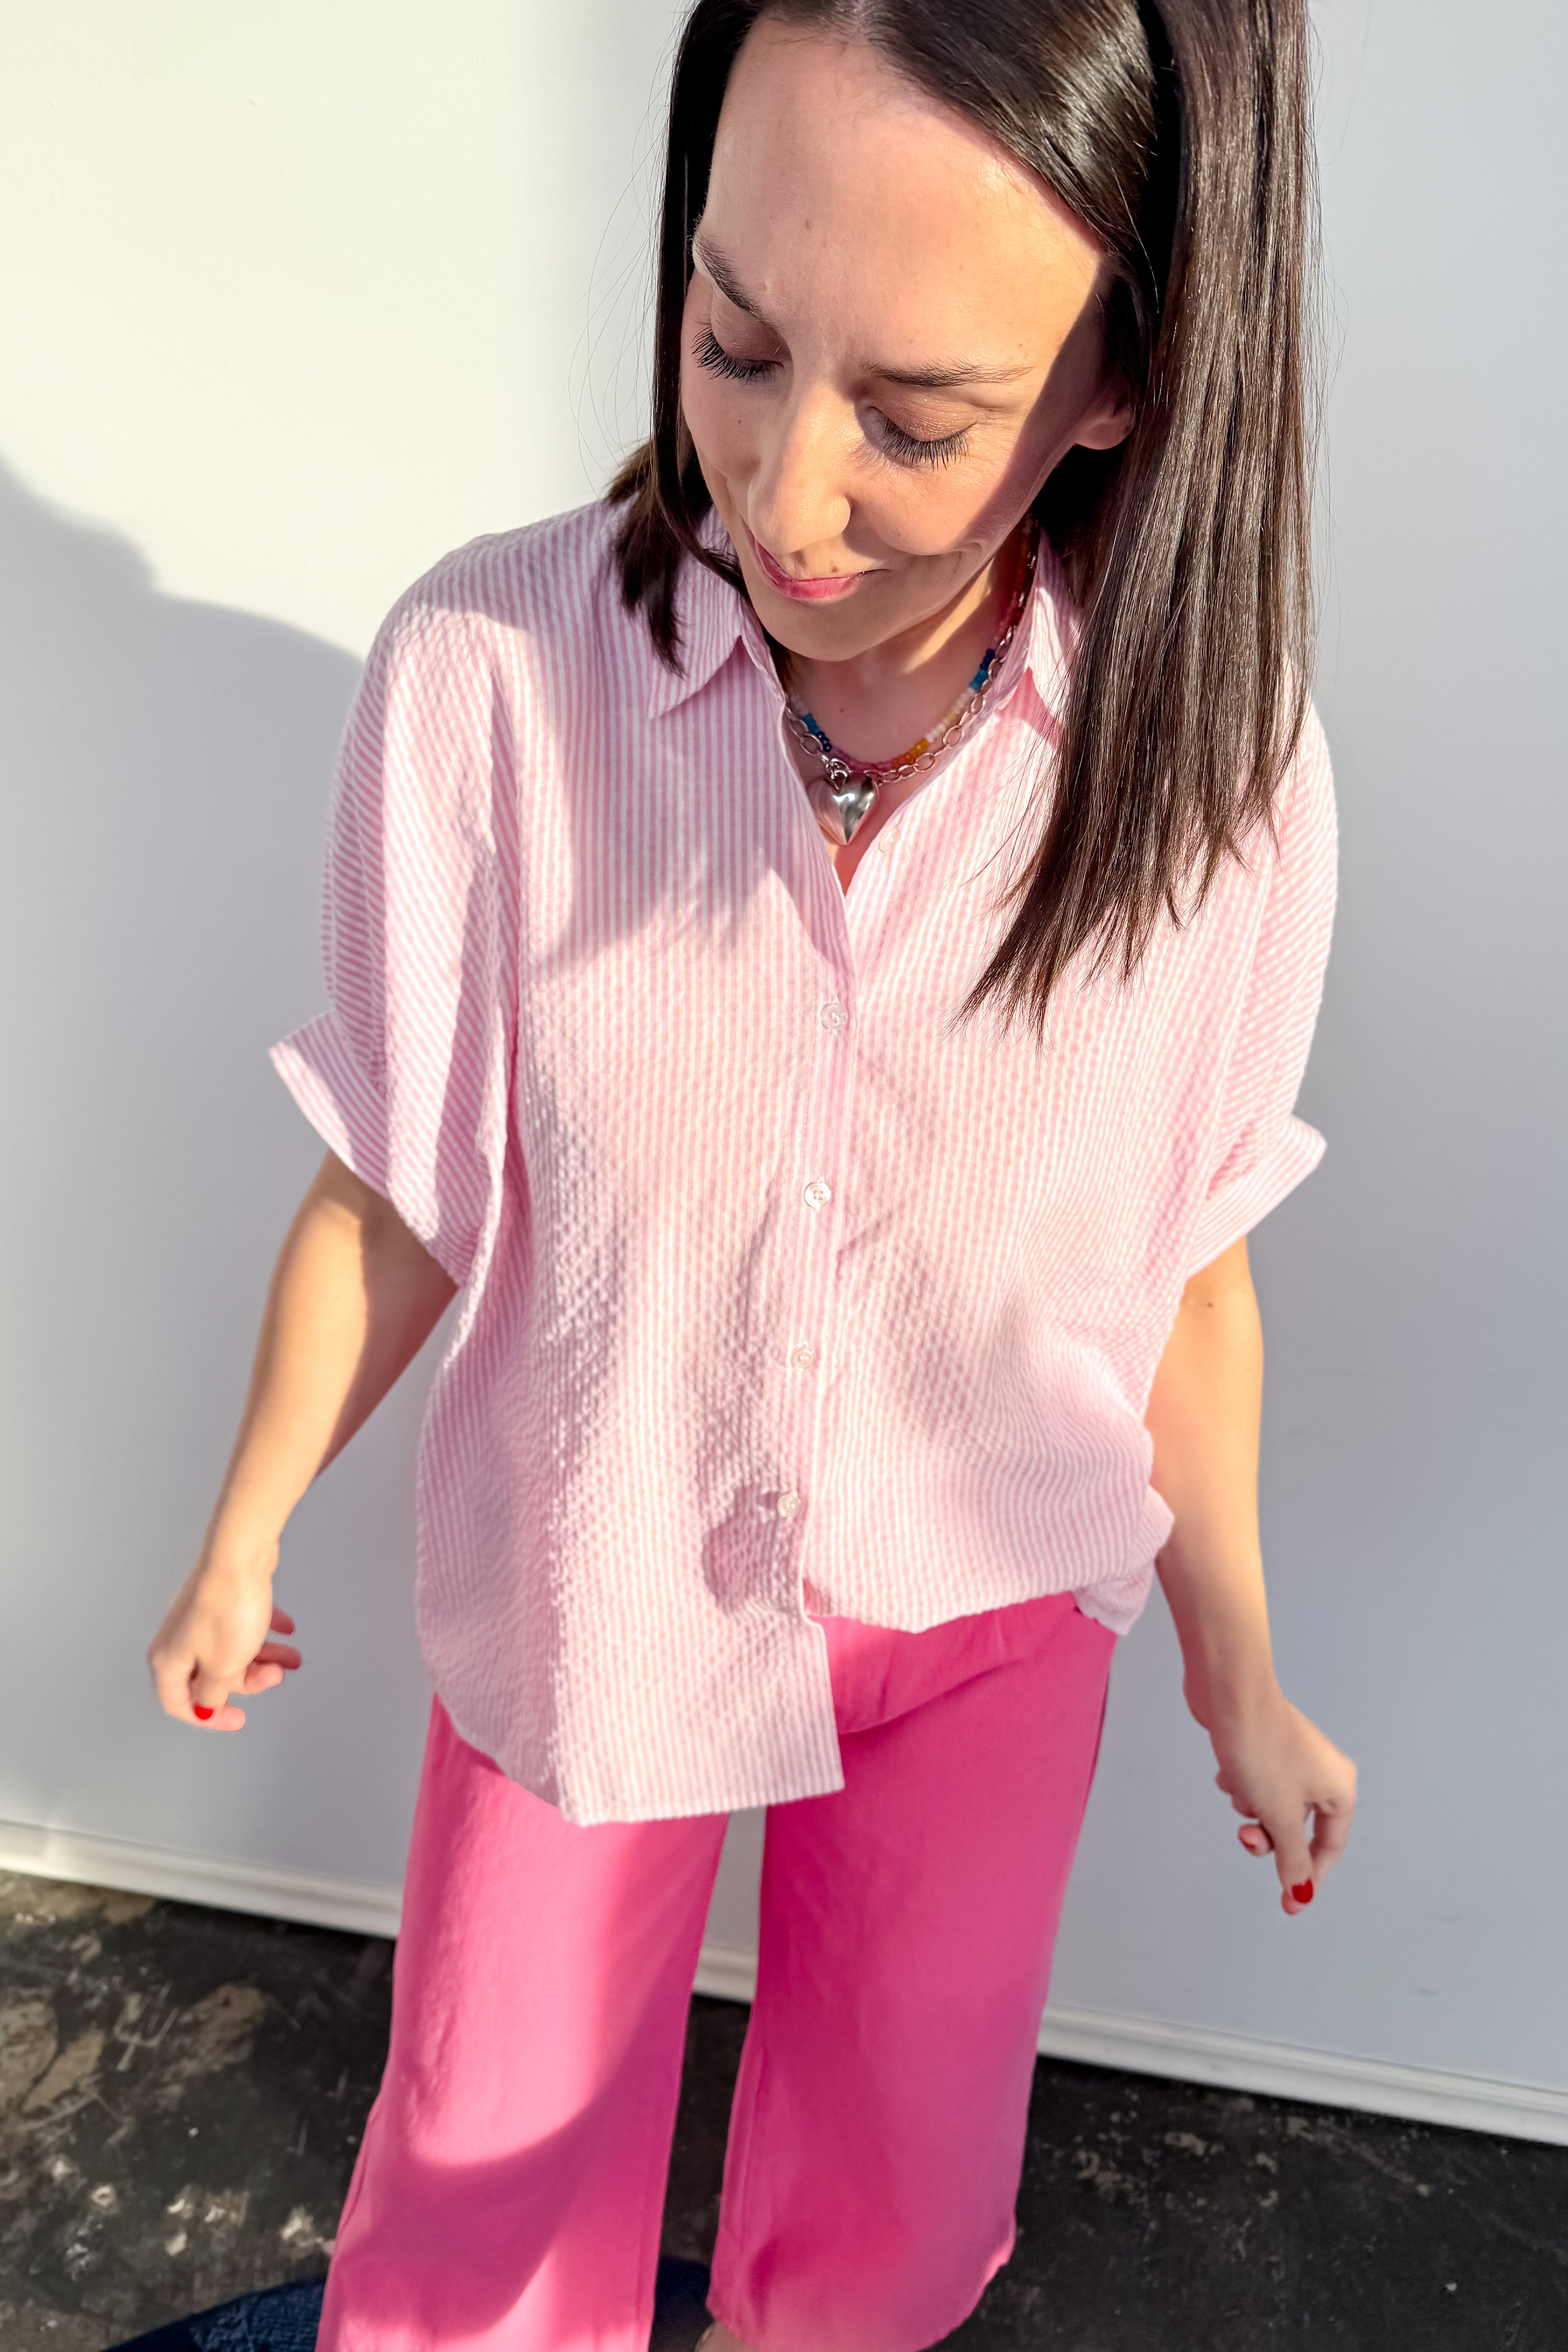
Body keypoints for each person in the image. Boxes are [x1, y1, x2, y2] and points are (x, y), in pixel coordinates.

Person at [147, 3, 1358, 2346]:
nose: (786, 499)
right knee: (484, 2191)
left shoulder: (1219, 775)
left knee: (898, 2222)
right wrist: (243, 1528)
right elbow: (402, 1178)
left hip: (990, 1612)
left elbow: (1182, 1265)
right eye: (733, 339)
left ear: (1124, 378)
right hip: (592, 1569)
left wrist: (1245, 1666)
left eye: (918, 419)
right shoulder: (489, 679)